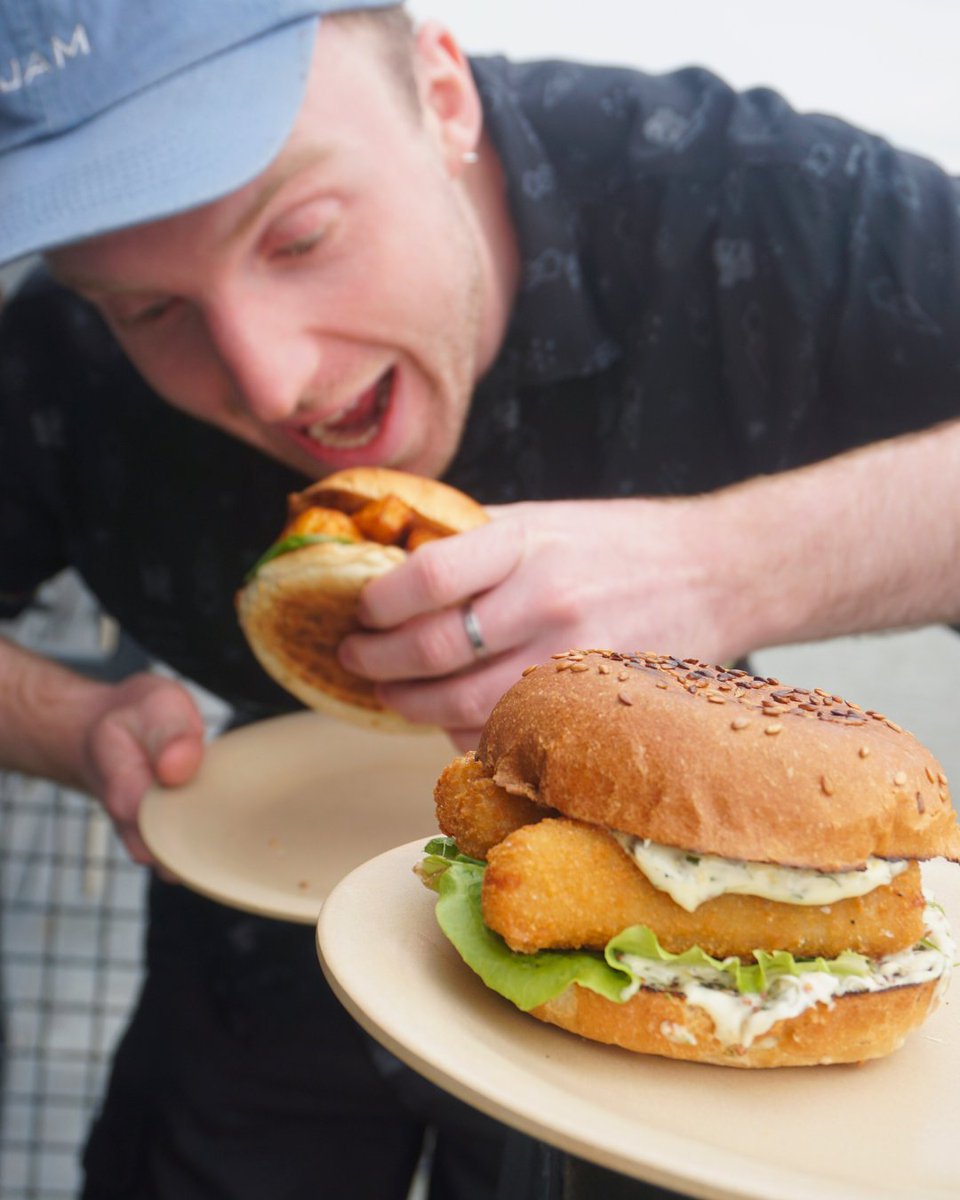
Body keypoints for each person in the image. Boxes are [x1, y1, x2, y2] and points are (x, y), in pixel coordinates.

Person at [3, 2, 960, 1197]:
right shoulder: (50, 350)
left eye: (299, 235)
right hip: (247, 939)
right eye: (149, 310)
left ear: (441, 93)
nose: (266, 377)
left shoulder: (754, 200)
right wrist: (72, 727)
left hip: (696, 995)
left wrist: (731, 561)